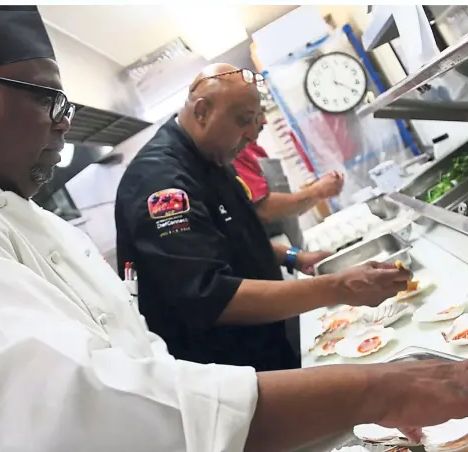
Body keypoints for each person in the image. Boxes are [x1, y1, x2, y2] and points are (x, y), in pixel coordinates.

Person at [0, 6, 468, 452]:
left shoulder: (43, 226)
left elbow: (145, 368)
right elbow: (77, 414)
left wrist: (339, 396)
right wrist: (374, 386)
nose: (64, 124)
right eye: (53, 100)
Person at [115, 64, 407, 371]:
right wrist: (339, 287)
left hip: (263, 346)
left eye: (256, 122)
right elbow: (212, 295)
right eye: (243, 121)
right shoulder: (161, 183)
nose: (252, 135)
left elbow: (233, 240)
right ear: (202, 111)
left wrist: (295, 257)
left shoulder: (211, 157)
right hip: (225, 370)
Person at [233, 114, 344, 226]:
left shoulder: (253, 149)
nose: (264, 121)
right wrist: (318, 191)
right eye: (258, 113)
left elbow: (285, 211)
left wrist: (320, 193)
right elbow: (265, 210)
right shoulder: (236, 154)